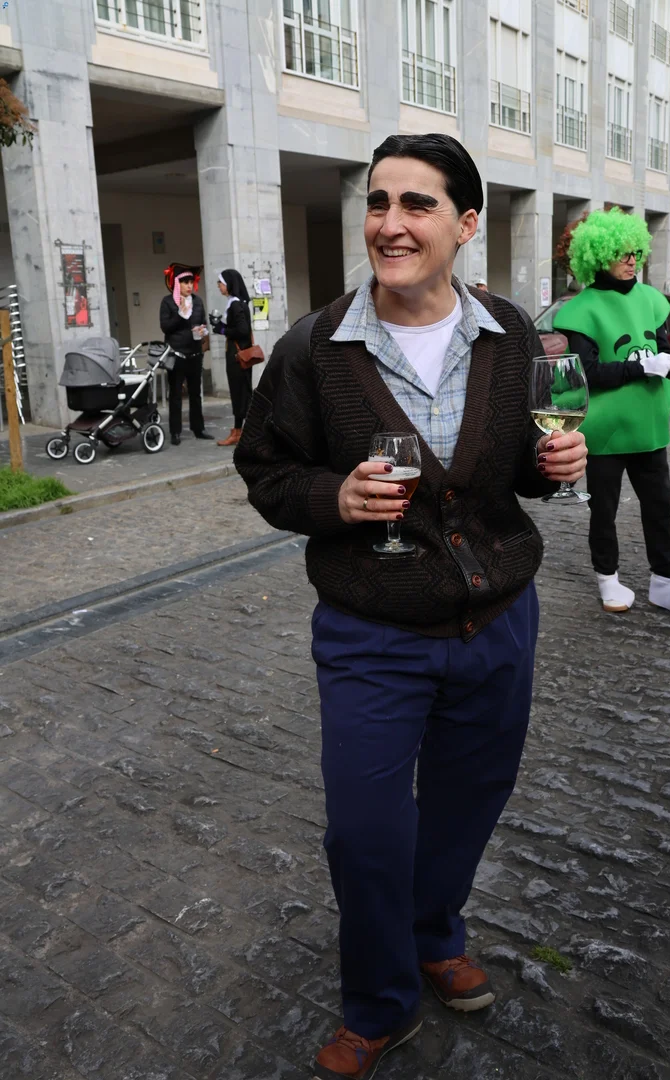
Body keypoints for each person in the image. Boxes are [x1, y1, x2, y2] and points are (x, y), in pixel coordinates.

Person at [236, 133, 586, 1079]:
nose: (390, 224)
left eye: (417, 204)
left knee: (468, 807)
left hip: (497, 625)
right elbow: (265, 470)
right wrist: (334, 498)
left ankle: (435, 933)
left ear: (465, 224)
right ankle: (379, 1002)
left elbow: (516, 474)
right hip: (372, 634)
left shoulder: (511, 334)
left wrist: (554, 464)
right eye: (379, 202)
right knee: (365, 831)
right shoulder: (316, 347)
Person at [553, 207, 670, 615]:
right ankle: (608, 579)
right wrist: (641, 367)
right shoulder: (583, 308)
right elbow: (585, 373)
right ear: (599, 256)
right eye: (621, 253)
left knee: (659, 508)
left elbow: (662, 350)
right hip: (606, 432)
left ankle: (666, 582)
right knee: (603, 511)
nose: (631, 260)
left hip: (650, 427)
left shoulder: (651, 300)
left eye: (635, 252)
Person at [159, 263, 213, 445]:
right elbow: (165, 327)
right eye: (185, 283)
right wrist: (180, 316)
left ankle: (198, 428)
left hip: (195, 354)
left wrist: (202, 331)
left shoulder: (197, 301)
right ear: (177, 284)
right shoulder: (168, 302)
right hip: (176, 354)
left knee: (195, 394)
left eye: (191, 282)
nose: (189, 286)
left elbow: (202, 321)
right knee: (175, 394)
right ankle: (175, 432)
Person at [211, 269, 253, 446]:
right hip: (239, 354)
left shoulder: (235, 304)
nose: (219, 286)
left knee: (239, 393)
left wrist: (222, 330)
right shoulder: (237, 303)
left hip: (237, 356)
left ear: (229, 284)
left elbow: (242, 330)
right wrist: (219, 325)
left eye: (221, 283)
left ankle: (240, 432)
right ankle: (241, 430)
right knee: (242, 393)